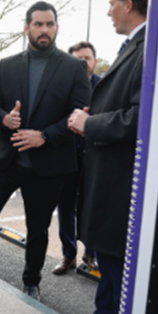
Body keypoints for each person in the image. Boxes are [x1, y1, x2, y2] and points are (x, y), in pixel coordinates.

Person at [0, 1, 91, 301]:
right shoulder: (8, 64)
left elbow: (79, 114)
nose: (44, 29)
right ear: (26, 27)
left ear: (56, 27)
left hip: (48, 165)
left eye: (49, 24)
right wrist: (3, 118)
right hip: (7, 160)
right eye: (38, 24)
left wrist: (44, 136)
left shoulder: (73, 67)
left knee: (38, 228)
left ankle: (31, 281)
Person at [65, 0, 150, 314]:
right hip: (107, 171)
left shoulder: (149, 46)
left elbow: (140, 116)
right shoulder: (135, 44)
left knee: (116, 257)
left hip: (120, 175)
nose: (108, 10)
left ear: (129, 5)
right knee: (104, 247)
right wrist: (92, 114)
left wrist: (90, 124)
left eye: (113, 2)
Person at [53, 41, 101, 275]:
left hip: (95, 157)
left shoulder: (104, 87)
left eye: (87, 58)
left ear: (95, 61)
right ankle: (68, 255)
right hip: (67, 155)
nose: (83, 63)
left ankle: (90, 253)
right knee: (66, 206)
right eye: (77, 59)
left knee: (93, 206)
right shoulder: (62, 88)